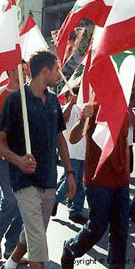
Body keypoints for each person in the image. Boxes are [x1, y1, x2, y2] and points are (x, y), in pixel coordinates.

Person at [0, 51, 76, 269]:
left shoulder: (52, 102)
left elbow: (60, 139)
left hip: (49, 179)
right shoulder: (14, 100)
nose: (59, 73)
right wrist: (19, 160)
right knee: (38, 243)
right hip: (24, 181)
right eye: (57, 69)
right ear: (45, 70)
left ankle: (10, 264)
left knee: (33, 232)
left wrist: (69, 173)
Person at [60, 96, 132, 269]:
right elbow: (73, 137)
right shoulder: (92, 109)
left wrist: (127, 174)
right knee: (98, 226)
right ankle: (71, 248)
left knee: (120, 231)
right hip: (98, 180)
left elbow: (126, 144)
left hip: (121, 181)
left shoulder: (124, 111)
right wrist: (85, 118)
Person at [0, 64, 28, 261]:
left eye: (26, 69)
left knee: (24, 204)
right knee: (11, 200)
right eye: (20, 69)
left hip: (26, 159)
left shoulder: (32, 95)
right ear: (9, 72)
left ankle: (11, 248)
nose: (25, 72)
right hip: (4, 157)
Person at [52, 87, 88, 225]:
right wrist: (72, 103)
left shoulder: (85, 108)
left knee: (80, 184)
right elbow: (62, 120)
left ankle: (75, 211)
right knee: (71, 180)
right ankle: (55, 199)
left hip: (84, 152)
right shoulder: (68, 107)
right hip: (71, 152)